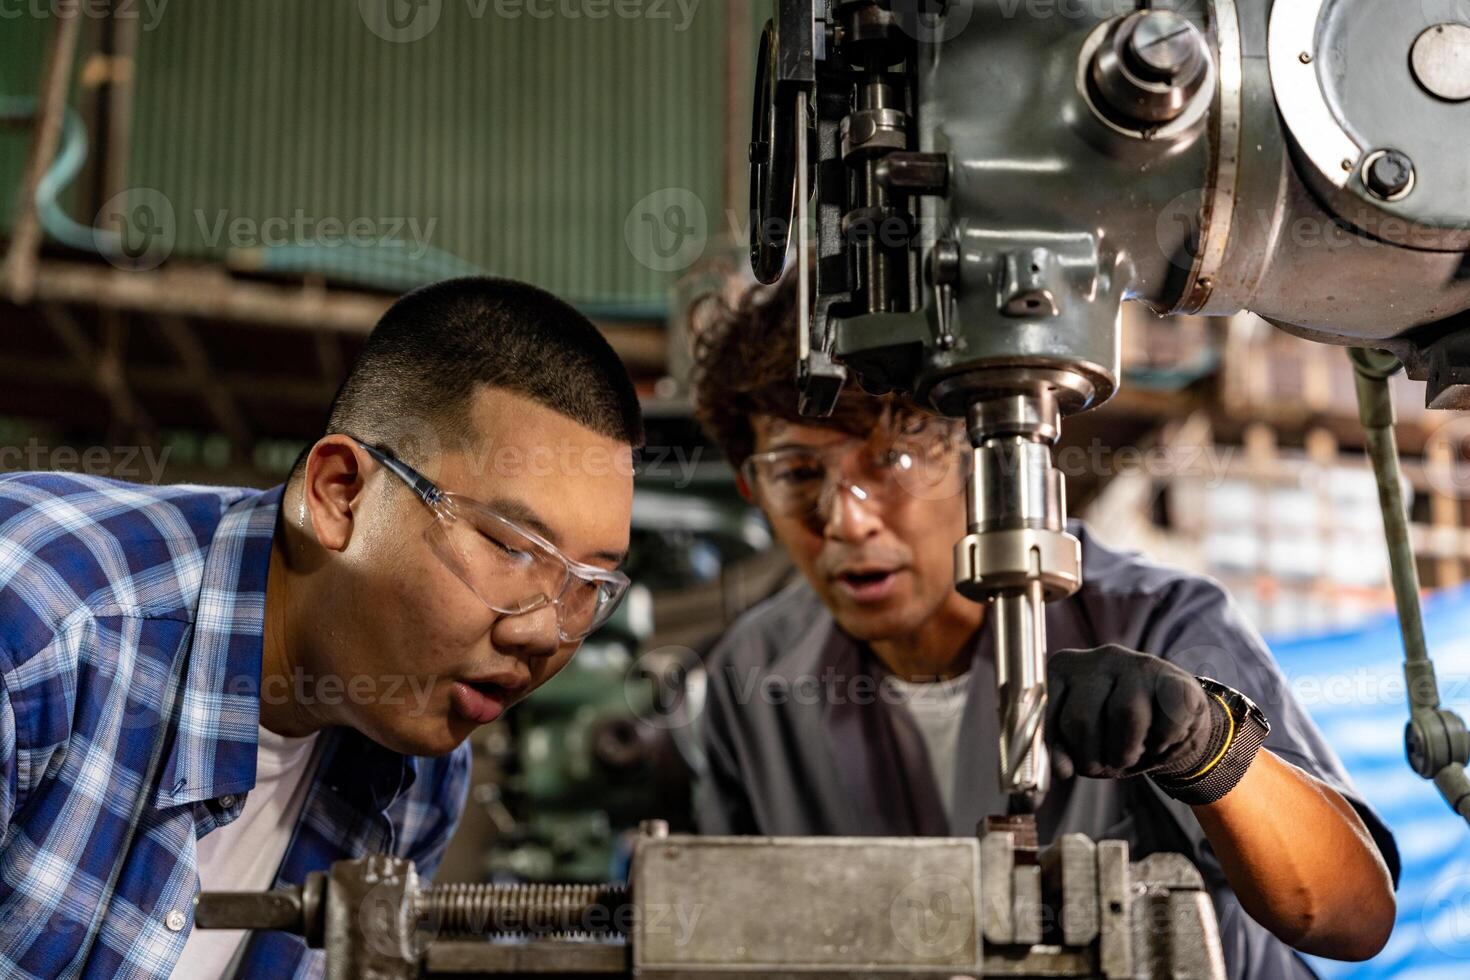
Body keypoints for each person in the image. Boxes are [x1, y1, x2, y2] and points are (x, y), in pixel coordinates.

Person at [689, 273, 1399, 978]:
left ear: (976, 450)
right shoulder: (751, 682)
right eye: (796, 474)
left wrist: (1207, 746)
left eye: (892, 460)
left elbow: (1352, 916)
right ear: (751, 485)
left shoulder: (1160, 621)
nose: (846, 518)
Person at [0, 277, 642, 979]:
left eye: (588, 586)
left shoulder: (421, 777)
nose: (545, 636)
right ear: (339, 493)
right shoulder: (38, 626)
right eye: (514, 549)